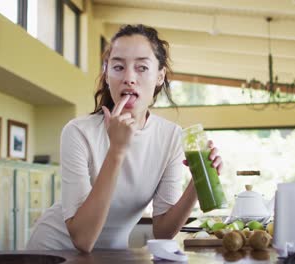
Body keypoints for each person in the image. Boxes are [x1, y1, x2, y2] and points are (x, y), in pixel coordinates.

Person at [26, 24, 223, 253]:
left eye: (141, 67)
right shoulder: (78, 132)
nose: (129, 77)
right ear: (107, 76)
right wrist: (117, 151)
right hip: (54, 251)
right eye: (118, 67)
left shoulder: (171, 137)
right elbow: (82, 239)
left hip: (113, 255)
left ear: (160, 76)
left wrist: (197, 184)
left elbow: (163, 231)